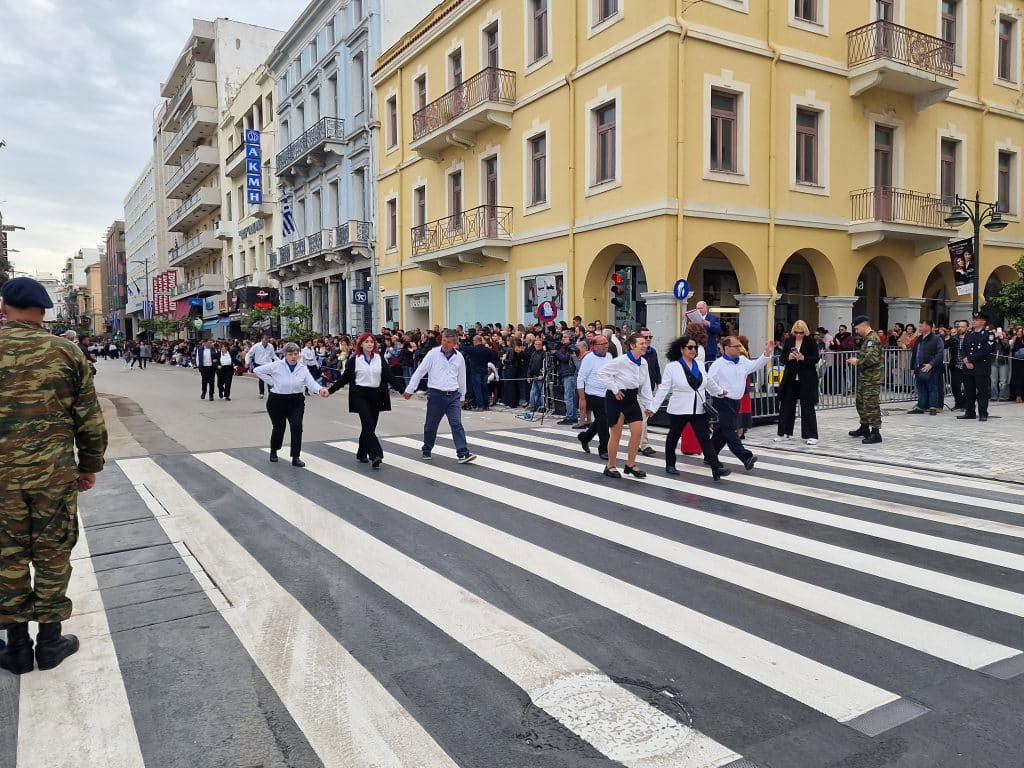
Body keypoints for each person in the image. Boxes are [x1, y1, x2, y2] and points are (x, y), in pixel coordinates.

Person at [0, 277, 107, 675]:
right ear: (44, 311)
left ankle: (14, 647)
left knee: (5, 557)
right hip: (53, 478)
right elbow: (90, 420)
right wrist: (90, 466)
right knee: (52, 554)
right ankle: (49, 643)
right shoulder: (66, 351)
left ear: (4, 305)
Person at [650, 335, 731, 481]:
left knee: (704, 438)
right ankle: (670, 464)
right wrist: (653, 407)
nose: (693, 350)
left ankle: (716, 468)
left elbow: (708, 381)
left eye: (695, 347)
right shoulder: (672, 367)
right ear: (682, 349)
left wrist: (719, 391)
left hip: (698, 409)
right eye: (690, 347)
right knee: (673, 437)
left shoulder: (699, 364)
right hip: (679, 409)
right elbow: (664, 389)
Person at [403, 330, 476, 463]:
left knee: (456, 423)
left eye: (448, 342)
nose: (445, 344)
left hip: (453, 395)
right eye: (443, 340)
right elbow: (420, 371)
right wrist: (411, 388)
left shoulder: (459, 357)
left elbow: (462, 378)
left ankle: (462, 452)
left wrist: (462, 396)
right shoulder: (433, 354)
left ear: (454, 343)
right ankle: (427, 448)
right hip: (436, 394)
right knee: (431, 425)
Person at [254, 342, 329, 467]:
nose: (293, 357)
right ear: (285, 355)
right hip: (277, 400)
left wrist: (320, 389)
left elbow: (310, 383)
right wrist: (271, 382)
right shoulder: (277, 365)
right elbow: (257, 370)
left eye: (296, 354)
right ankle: (274, 450)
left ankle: (295, 456)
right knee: (279, 427)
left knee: (297, 426)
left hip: (296, 400)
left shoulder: (302, 368)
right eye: (290, 354)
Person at [327, 333, 396, 468]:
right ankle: (376, 454)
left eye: (372, 342)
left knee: (369, 427)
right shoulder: (355, 359)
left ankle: (361, 453)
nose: (370, 344)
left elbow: (389, 376)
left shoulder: (379, 359)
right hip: (360, 395)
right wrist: (330, 390)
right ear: (361, 345)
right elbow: (345, 378)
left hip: (376, 395)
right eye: (366, 342)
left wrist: (404, 391)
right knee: (368, 423)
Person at [708, 336, 773, 470]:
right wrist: (719, 391)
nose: (740, 348)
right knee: (730, 430)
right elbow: (709, 383)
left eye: (740, 346)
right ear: (726, 348)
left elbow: (756, 365)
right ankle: (745, 457)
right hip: (723, 401)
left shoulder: (742, 361)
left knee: (721, 431)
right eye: (736, 346)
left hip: (736, 401)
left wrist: (766, 354)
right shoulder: (718, 365)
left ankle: (710, 454)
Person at [597, 333, 655, 479]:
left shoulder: (643, 362)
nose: (645, 346)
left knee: (637, 431)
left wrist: (649, 405)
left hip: (631, 398)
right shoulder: (621, 361)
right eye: (641, 343)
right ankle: (610, 465)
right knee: (616, 434)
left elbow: (646, 385)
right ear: (632, 345)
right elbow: (602, 372)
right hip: (616, 398)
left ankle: (630, 465)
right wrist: (614, 388)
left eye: (646, 343)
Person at [774, 320, 820, 445]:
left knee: (807, 407)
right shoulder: (789, 341)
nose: (799, 335)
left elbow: (816, 358)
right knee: (786, 406)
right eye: (796, 332)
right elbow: (782, 358)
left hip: (807, 378)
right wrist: (789, 358)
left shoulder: (810, 341)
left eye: (801, 332)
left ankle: (811, 435)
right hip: (791, 378)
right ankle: (784, 433)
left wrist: (803, 358)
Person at [846, 315, 883, 443]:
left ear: (863, 325)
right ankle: (864, 427)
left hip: (871, 379)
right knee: (861, 403)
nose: (856, 331)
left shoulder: (873, 339)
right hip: (865, 378)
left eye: (857, 328)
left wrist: (857, 361)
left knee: (871, 404)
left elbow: (872, 359)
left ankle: (876, 432)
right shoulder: (867, 339)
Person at [576, 335, 613, 460]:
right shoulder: (589, 359)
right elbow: (581, 378)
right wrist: (582, 398)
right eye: (602, 344)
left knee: (602, 420)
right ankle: (603, 449)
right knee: (604, 421)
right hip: (594, 394)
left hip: (608, 393)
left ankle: (585, 437)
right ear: (595, 346)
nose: (606, 346)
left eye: (607, 343)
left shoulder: (609, 356)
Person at [958, 311, 997, 422]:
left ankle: (983, 413)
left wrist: (970, 360)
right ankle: (970, 412)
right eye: (973, 319)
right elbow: (963, 348)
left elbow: (986, 350)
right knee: (969, 391)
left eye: (976, 320)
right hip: (968, 367)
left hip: (981, 367)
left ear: (983, 322)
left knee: (982, 392)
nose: (974, 321)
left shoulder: (988, 334)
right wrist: (965, 359)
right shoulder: (969, 334)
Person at [907, 319, 945, 415]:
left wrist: (931, 364)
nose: (919, 328)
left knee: (932, 388)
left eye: (921, 326)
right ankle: (921, 406)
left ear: (928, 327)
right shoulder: (919, 339)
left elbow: (940, 354)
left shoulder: (937, 338)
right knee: (921, 389)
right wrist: (912, 367)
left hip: (931, 368)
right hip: (918, 368)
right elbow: (915, 354)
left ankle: (933, 407)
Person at [636, 327, 661, 456]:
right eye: (645, 337)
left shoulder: (652, 352)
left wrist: (659, 383)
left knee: (642, 418)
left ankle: (639, 443)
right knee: (644, 417)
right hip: (637, 391)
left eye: (650, 337)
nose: (648, 339)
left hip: (649, 388)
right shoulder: (637, 353)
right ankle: (644, 445)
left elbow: (656, 367)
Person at [946, 320, 969, 410]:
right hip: (956, 365)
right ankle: (958, 403)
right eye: (958, 326)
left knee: (968, 386)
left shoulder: (970, 337)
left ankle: (965, 403)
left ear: (967, 327)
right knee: (955, 386)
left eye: (962, 327)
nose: (960, 328)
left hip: (967, 366)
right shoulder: (954, 338)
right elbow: (943, 345)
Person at [245, 333, 278, 399]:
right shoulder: (256, 346)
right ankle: (261, 393)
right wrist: (247, 362)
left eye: (267, 339)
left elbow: (273, 356)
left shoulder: (270, 346)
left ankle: (270, 392)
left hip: (268, 364)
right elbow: (249, 354)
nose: (266, 341)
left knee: (270, 378)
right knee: (261, 379)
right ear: (261, 339)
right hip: (259, 364)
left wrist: (280, 362)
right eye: (264, 339)